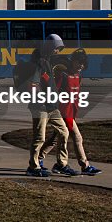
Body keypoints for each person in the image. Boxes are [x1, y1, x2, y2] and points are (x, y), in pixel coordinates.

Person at [42, 49, 101, 175]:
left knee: (54, 138)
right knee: (77, 138)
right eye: (79, 62)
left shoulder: (79, 76)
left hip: (71, 112)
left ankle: (38, 158)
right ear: (72, 62)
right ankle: (83, 165)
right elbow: (54, 91)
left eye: (83, 64)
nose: (81, 66)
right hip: (63, 112)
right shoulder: (63, 75)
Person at [25, 34, 75, 177]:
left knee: (64, 132)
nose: (58, 52)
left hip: (52, 107)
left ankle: (61, 164)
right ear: (50, 47)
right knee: (39, 137)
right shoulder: (39, 62)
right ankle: (33, 167)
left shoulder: (47, 61)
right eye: (57, 48)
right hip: (40, 107)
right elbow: (33, 84)